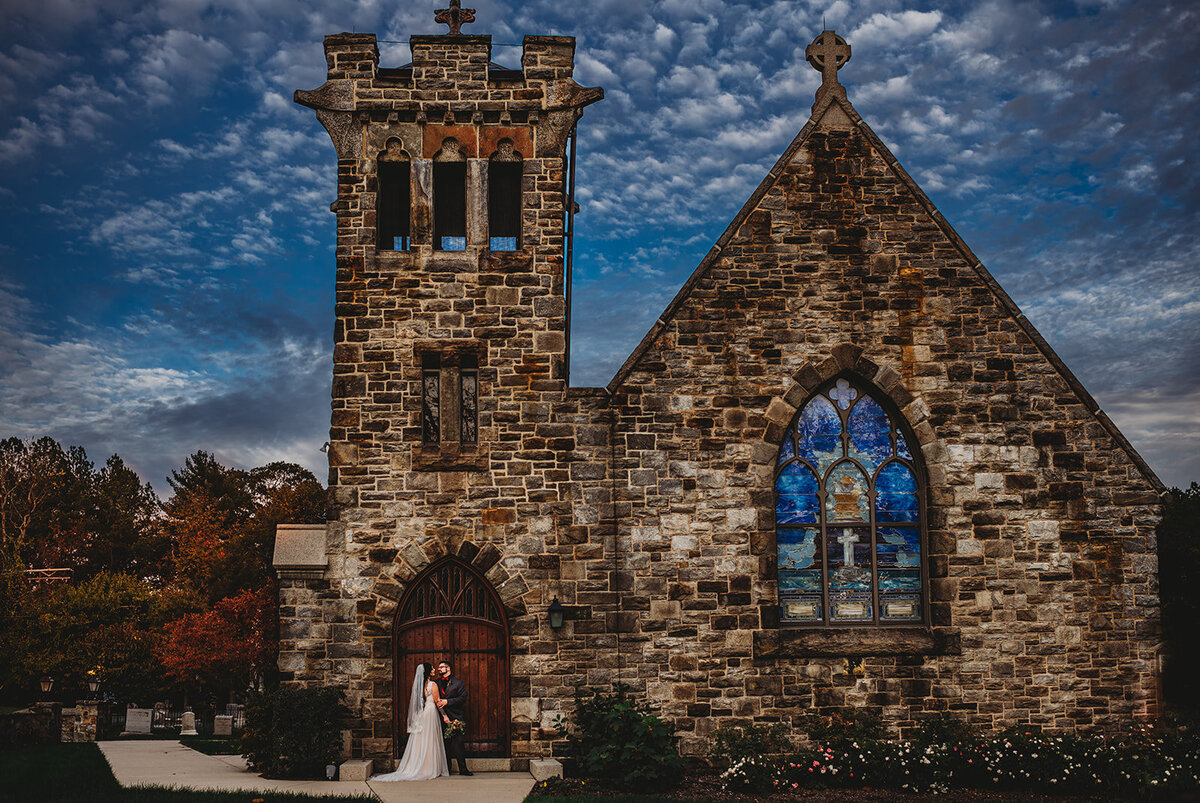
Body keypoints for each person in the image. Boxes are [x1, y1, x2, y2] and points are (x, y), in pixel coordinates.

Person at [373, 662, 449, 781]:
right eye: (432, 668)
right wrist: (445, 716)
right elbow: (438, 701)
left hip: (422, 714)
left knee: (421, 740)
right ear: (428, 671)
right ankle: (429, 768)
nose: (434, 670)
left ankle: (419, 766)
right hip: (430, 713)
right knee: (430, 739)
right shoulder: (433, 685)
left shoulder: (419, 686)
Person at [435, 659, 472, 776]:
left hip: (456, 717)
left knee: (459, 743)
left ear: (448, 668)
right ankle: (447, 770)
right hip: (441, 717)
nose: (439, 669)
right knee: (445, 744)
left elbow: (462, 698)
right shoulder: (436, 683)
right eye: (439, 667)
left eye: (441, 667)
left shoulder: (458, 683)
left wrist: (447, 701)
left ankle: (463, 769)